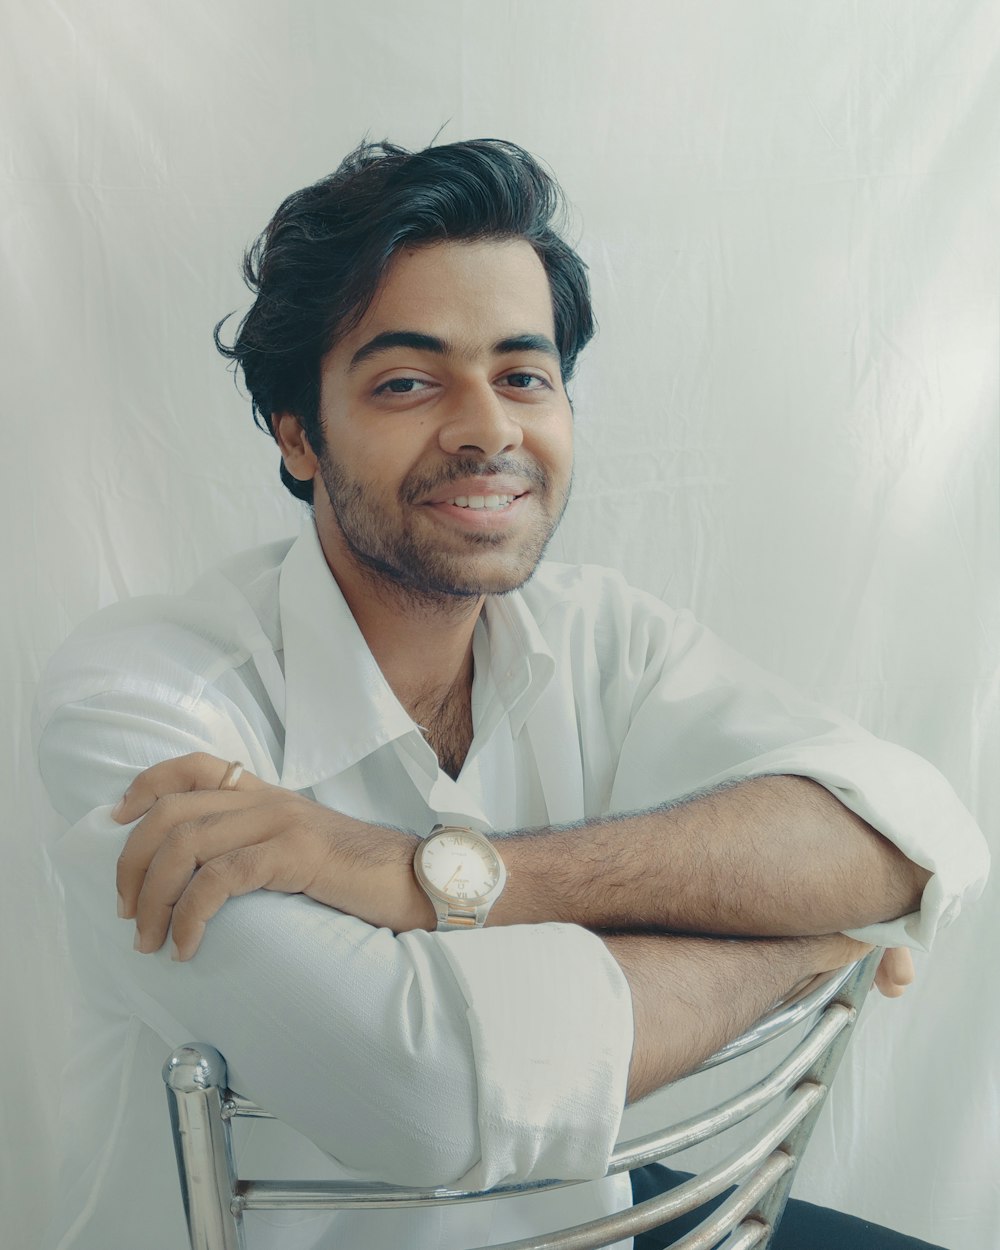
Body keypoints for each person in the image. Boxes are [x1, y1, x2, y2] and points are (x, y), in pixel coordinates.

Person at [34, 138, 988, 1250]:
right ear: (298, 433)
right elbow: (436, 1096)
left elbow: (910, 835)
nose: (489, 427)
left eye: (523, 375)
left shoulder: (599, 632)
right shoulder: (141, 705)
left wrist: (425, 875)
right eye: (407, 380)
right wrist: (802, 944)